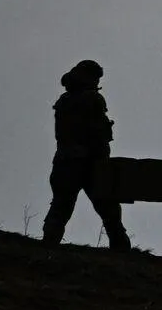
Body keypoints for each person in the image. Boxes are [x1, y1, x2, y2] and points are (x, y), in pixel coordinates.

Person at [44, 60, 132, 251]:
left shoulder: (64, 100)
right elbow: (98, 134)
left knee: (61, 207)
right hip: (91, 163)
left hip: (65, 161)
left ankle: (48, 246)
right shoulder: (92, 98)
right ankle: (122, 250)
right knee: (109, 209)